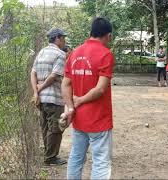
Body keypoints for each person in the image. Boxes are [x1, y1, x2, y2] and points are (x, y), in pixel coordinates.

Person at [62, 17, 114, 179]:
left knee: (76, 157)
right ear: (108, 35)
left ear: (91, 32)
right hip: (99, 120)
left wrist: (71, 107)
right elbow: (99, 89)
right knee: (100, 161)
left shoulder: (75, 53)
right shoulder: (106, 54)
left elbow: (65, 84)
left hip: (79, 119)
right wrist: (80, 100)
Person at [30, 28, 67, 166]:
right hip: (54, 97)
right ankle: (51, 157)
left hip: (41, 98)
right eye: (63, 38)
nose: (64, 41)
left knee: (45, 126)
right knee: (55, 127)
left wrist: (36, 91)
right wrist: (42, 87)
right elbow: (54, 76)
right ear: (57, 38)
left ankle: (48, 152)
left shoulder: (42, 52)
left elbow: (33, 73)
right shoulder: (60, 54)